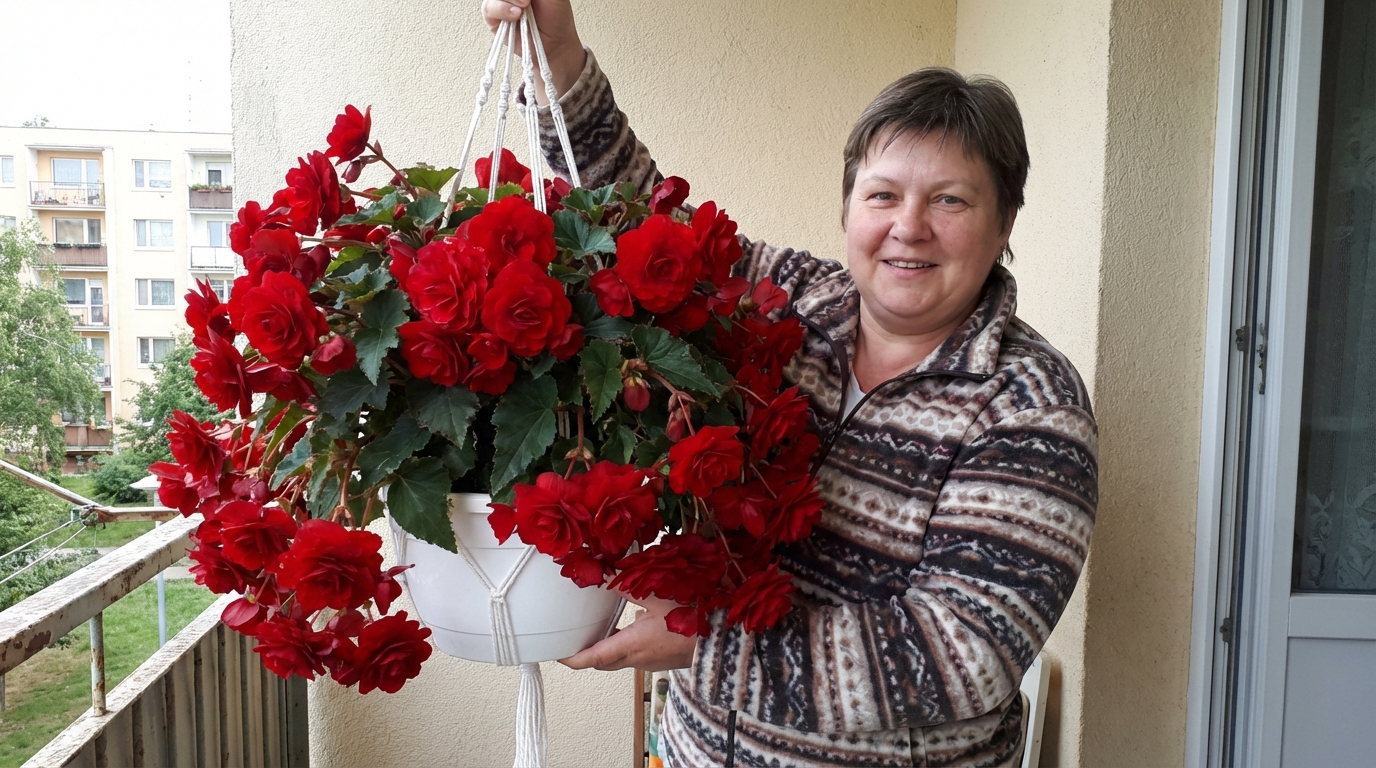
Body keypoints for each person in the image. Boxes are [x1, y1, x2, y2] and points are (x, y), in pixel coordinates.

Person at [481, 2, 1098, 765]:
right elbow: (643, 219)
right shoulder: (794, 298)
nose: (909, 226)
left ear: (1003, 225)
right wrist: (557, 57)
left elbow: (962, 656)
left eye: (950, 199)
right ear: (848, 208)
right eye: (882, 194)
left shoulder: (1032, 408)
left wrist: (709, 643)